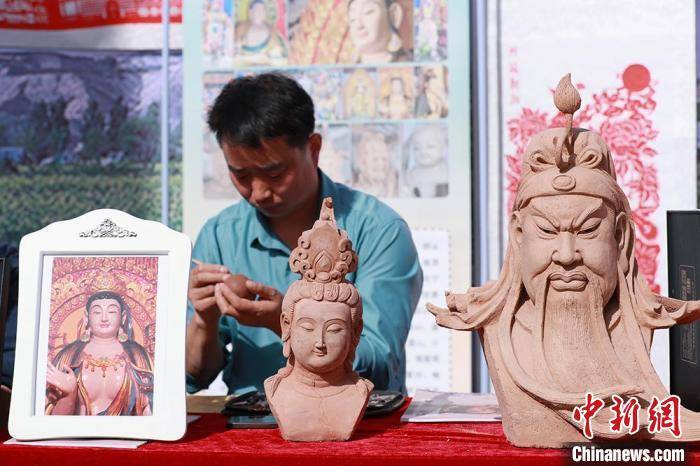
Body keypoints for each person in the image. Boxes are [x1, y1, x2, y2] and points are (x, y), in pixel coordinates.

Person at [186, 73, 422, 395]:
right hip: (250, 423)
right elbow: (192, 377)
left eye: (274, 173)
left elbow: (380, 364)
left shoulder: (379, 231)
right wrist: (204, 321)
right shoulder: (219, 236)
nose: (258, 191)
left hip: (353, 422)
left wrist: (288, 324)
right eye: (241, 175)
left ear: (313, 149)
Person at [45, 291, 153, 416]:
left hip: (125, 429)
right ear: (86, 317)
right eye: (97, 312)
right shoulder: (68, 356)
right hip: (79, 429)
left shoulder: (137, 355)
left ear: (123, 317)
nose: (104, 318)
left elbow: (149, 413)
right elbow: (51, 419)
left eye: (111, 312)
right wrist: (68, 395)